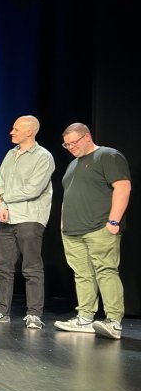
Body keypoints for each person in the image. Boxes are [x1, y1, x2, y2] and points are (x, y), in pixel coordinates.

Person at [53, 123, 130, 339]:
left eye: (74, 142)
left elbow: (123, 187)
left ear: (87, 137)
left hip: (99, 227)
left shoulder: (108, 156)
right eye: (67, 145)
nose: (71, 147)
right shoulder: (72, 165)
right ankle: (85, 318)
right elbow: (68, 196)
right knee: (82, 274)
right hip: (72, 230)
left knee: (106, 271)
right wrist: (63, 224)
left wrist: (113, 221)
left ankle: (114, 322)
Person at [0, 115, 54, 329]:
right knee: (3, 267)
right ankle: (1, 310)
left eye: (15, 129)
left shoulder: (43, 157)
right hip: (7, 216)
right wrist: (2, 206)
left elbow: (33, 189)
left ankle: (34, 314)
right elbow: (1, 182)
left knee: (31, 267)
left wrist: (4, 198)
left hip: (30, 217)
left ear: (29, 132)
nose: (11, 132)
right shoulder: (10, 154)